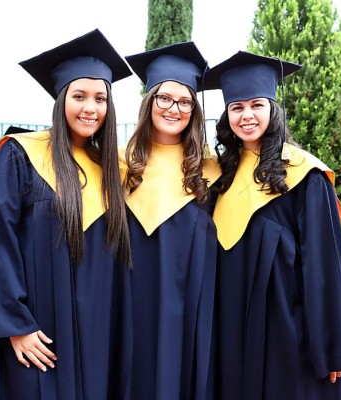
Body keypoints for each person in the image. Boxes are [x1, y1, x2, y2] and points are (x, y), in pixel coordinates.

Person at [0, 29, 133, 399]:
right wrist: (14, 323)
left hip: (97, 330)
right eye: (79, 96)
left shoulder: (114, 169)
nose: (91, 108)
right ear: (61, 100)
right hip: (37, 329)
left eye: (100, 98)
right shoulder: (20, 156)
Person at [204, 51, 341, 399]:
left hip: (285, 328)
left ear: (274, 109)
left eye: (257, 105)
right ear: (226, 115)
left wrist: (335, 345)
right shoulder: (220, 176)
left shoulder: (304, 175)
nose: (246, 116)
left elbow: (325, 265)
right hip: (231, 327)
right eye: (236, 107)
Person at [122, 42, 221, 399]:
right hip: (130, 302)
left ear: (194, 110)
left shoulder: (210, 168)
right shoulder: (120, 164)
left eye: (184, 102)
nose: (174, 109)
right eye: (165, 98)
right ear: (149, 101)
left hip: (190, 305)